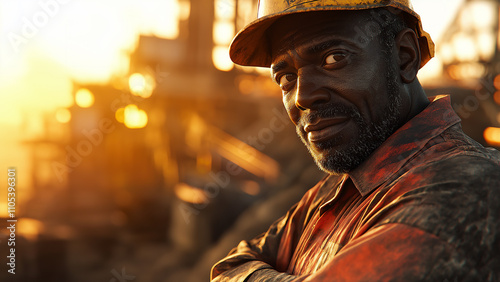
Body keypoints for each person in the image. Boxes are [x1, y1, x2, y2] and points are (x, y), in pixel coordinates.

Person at [211, 0, 500, 281]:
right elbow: (229, 266)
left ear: (404, 55)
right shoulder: (336, 189)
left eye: (334, 58)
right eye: (286, 77)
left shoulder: (465, 189)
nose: (302, 97)